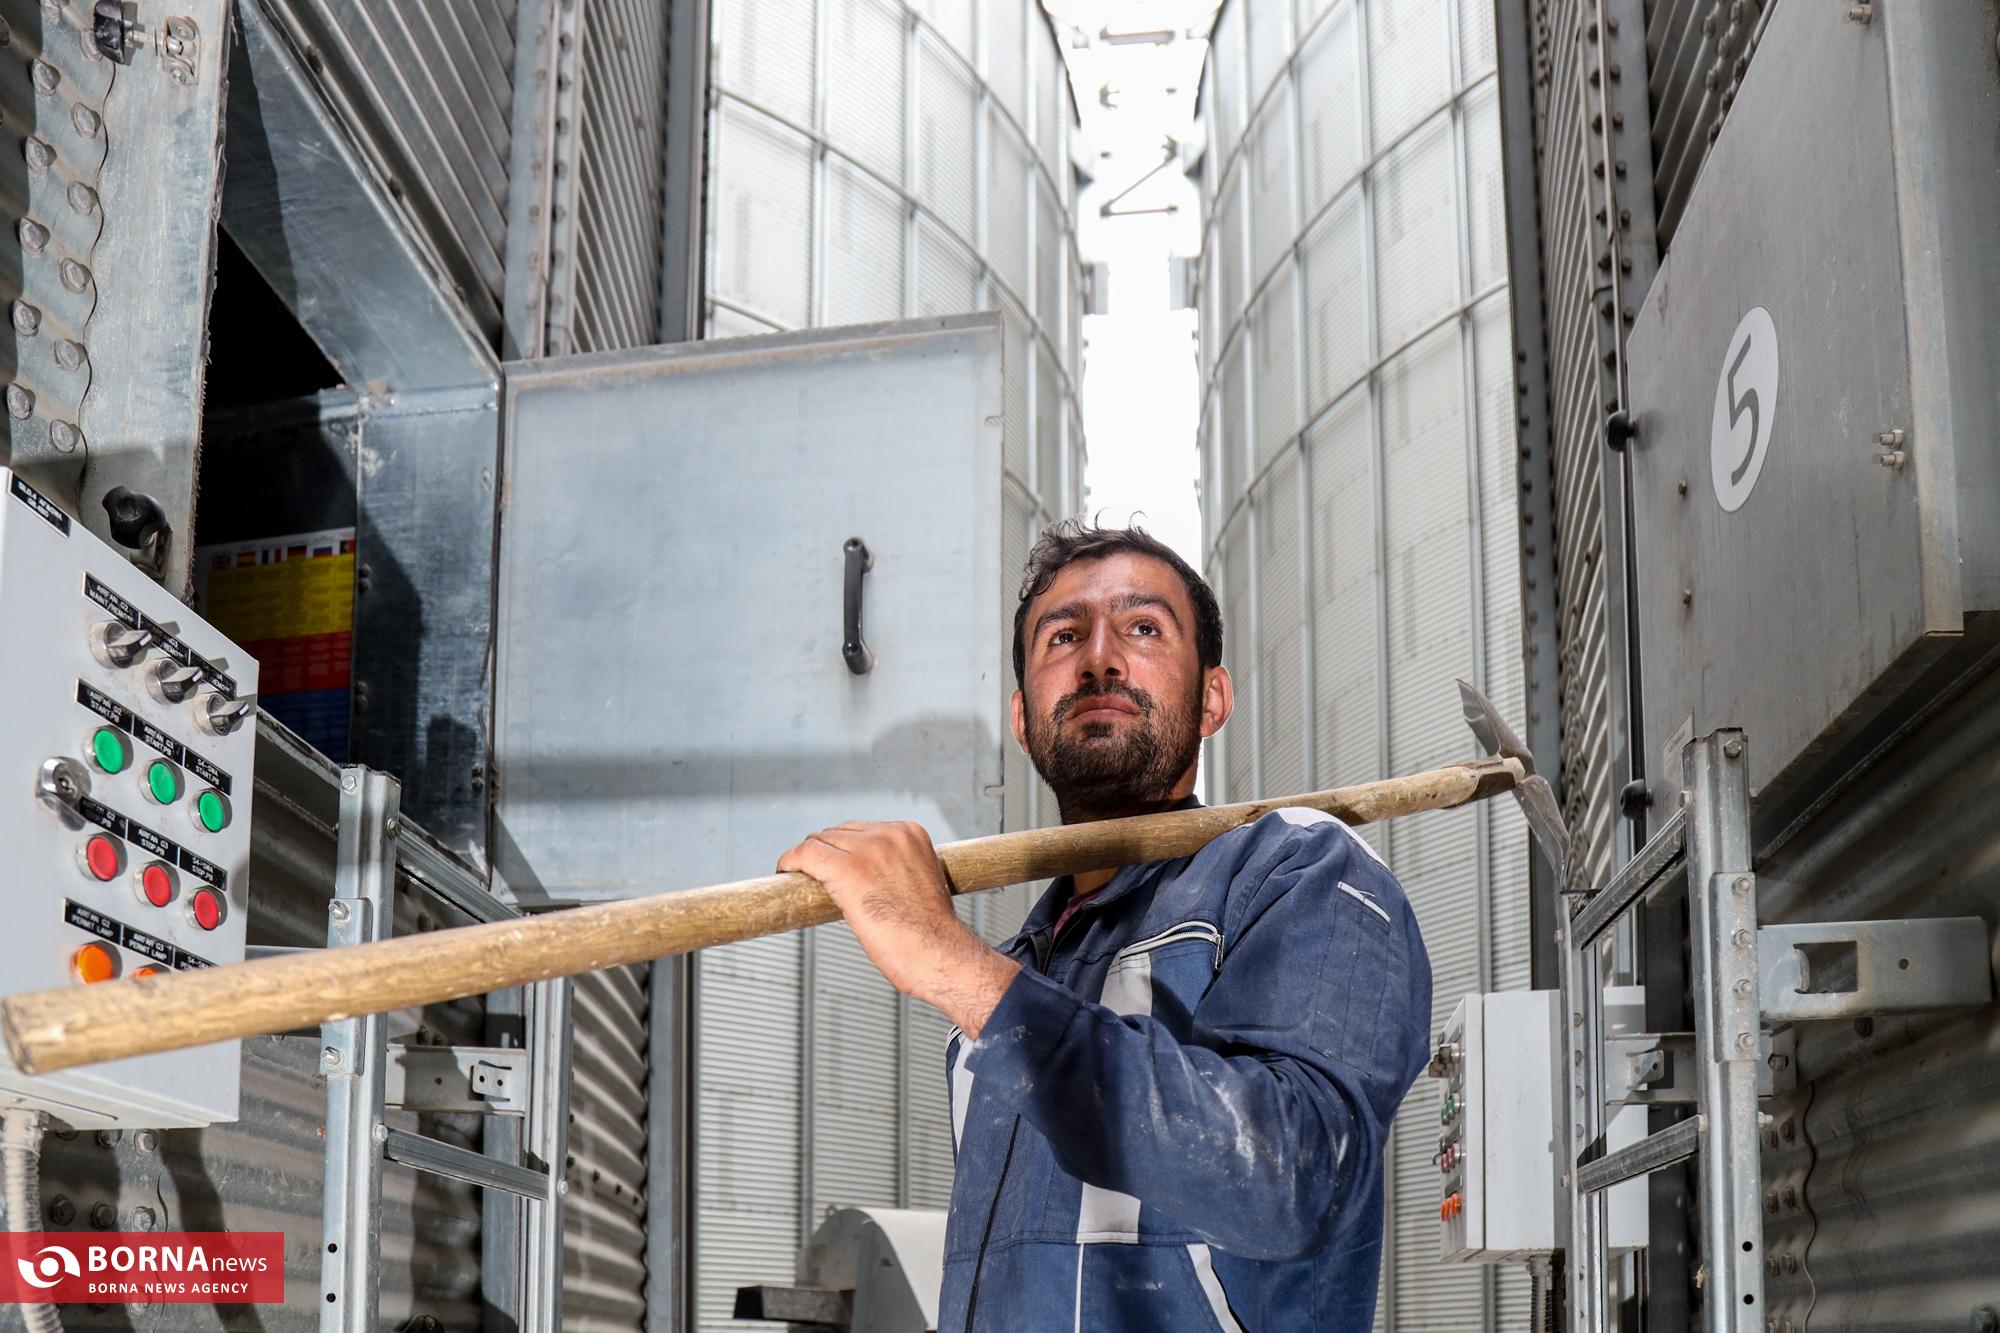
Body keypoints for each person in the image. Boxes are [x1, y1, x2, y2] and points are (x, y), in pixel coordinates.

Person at [779, 519, 1431, 1331]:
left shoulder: (1298, 870)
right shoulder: (1015, 978)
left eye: (1143, 628)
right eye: (1063, 636)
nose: (1100, 658)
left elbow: (1293, 1181)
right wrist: (982, 984)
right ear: (1024, 718)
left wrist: (956, 966)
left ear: (1213, 697)